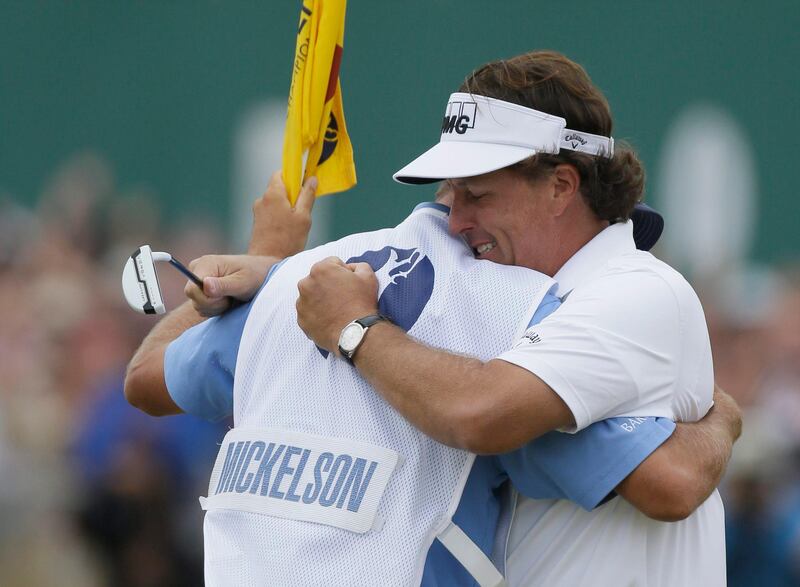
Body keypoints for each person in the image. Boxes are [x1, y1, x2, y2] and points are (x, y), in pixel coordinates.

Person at [126, 171, 739, 585]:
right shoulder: (509, 330)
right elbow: (673, 481)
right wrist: (722, 417)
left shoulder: (301, 283)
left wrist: (277, 263)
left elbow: (147, 375)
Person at [292, 51, 728, 585]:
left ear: (562, 187)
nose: (454, 223)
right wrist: (271, 272)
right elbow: (670, 477)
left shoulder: (637, 288)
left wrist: (354, 326)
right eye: (449, 197)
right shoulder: (512, 290)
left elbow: (478, 410)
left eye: (477, 195)